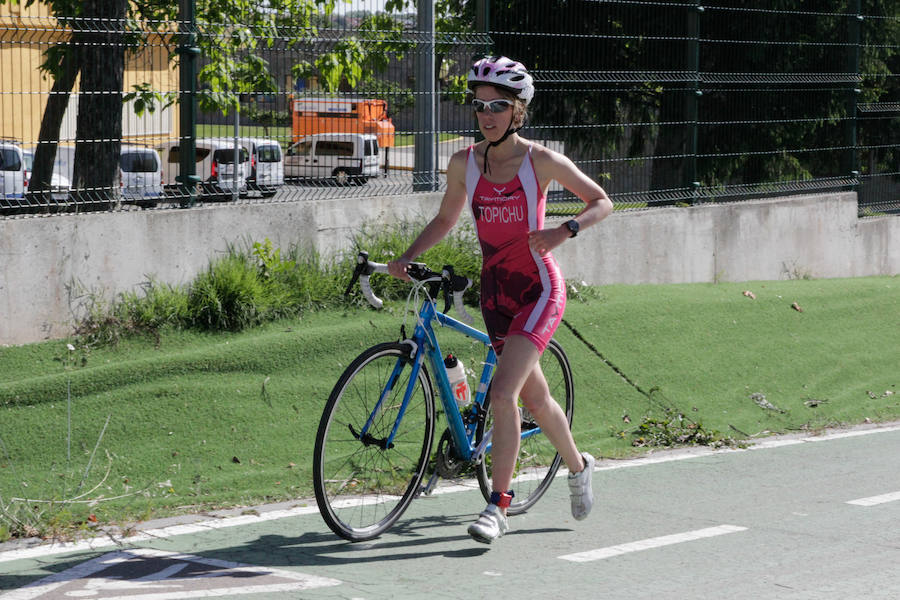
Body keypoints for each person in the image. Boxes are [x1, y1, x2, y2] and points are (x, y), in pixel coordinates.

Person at [388, 55, 613, 544]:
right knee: (535, 396)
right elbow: (446, 220)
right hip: (496, 293)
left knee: (502, 393)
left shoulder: (541, 161)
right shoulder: (464, 163)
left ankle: (498, 506)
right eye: (480, 106)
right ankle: (578, 465)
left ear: (518, 111)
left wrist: (563, 230)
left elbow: (602, 201)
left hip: (539, 289)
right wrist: (404, 257)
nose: (487, 115)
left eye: (498, 106)